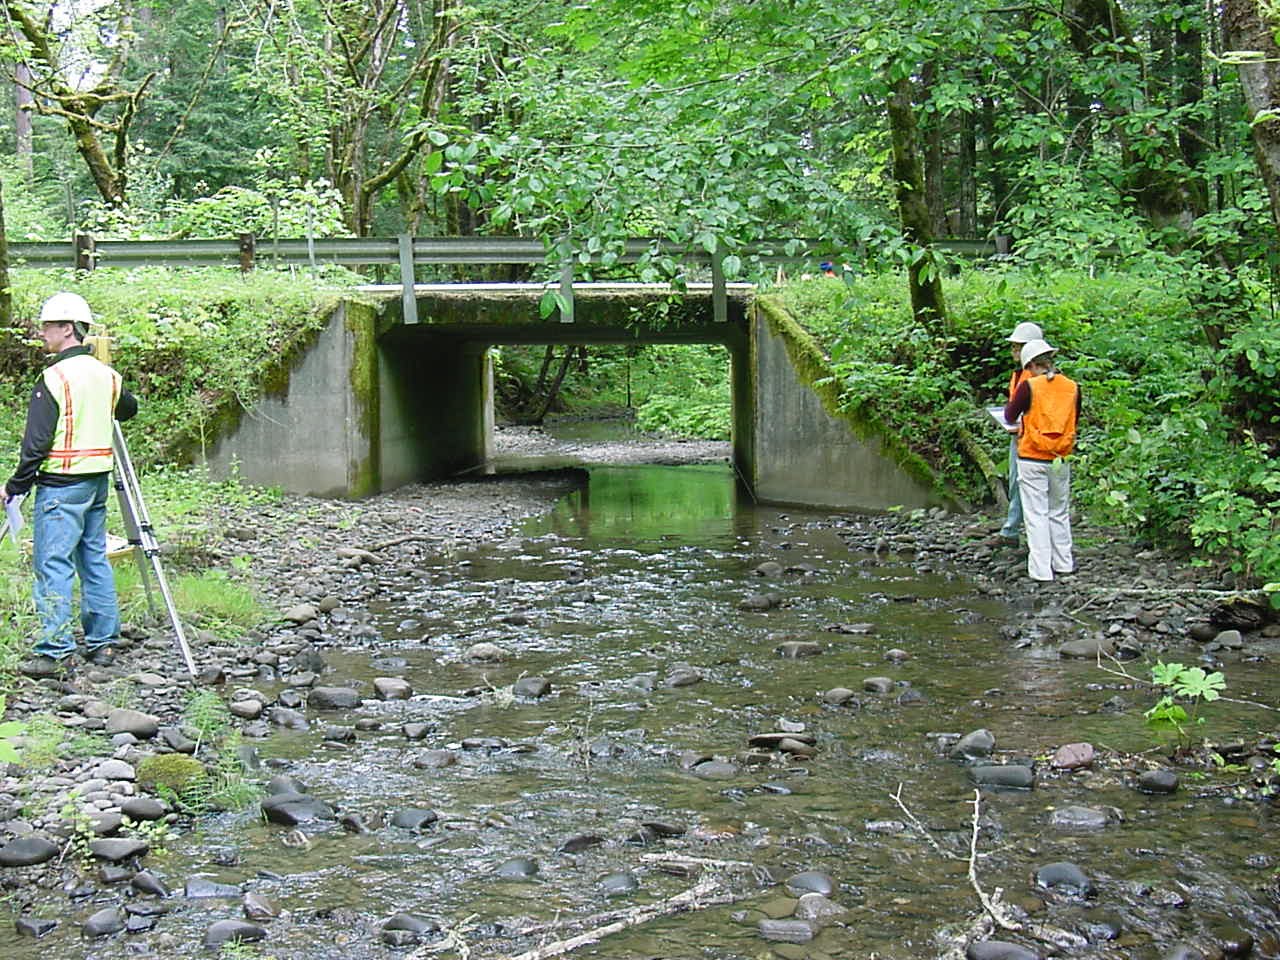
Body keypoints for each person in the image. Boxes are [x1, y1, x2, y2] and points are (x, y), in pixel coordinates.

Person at [3, 292, 137, 677]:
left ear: (68, 328)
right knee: (93, 559)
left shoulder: (55, 377)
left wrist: (15, 486)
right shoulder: (107, 375)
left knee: (53, 565)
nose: (42, 332)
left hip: (60, 486)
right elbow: (129, 409)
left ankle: (56, 650)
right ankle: (103, 643)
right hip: (95, 482)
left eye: (48, 326)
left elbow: (36, 443)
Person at [1003, 338, 1080, 583]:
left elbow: (1009, 415)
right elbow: (1075, 417)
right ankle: (1064, 564)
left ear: (1031, 365)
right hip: (1060, 458)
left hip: (1032, 457)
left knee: (1036, 514)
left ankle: (1041, 571)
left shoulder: (1029, 387)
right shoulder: (1072, 387)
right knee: (1059, 511)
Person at [990, 321, 1043, 547]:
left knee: (1021, 485)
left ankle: (1012, 531)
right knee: (1019, 485)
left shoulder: (1033, 378)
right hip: (1023, 435)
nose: (1014, 351)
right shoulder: (1021, 374)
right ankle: (1015, 530)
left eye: (1018, 347)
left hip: (1029, 439)